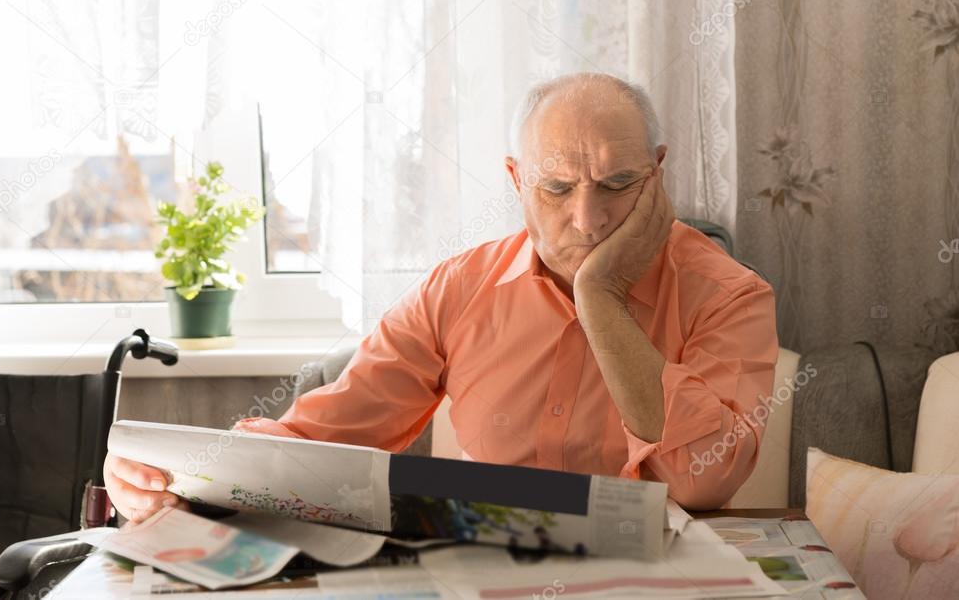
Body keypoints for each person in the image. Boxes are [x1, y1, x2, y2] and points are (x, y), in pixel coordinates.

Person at [105, 72, 778, 523]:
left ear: (656, 174)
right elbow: (320, 436)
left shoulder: (730, 295)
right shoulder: (458, 288)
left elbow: (701, 481)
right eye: (555, 188)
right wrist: (177, 477)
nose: (587, 219)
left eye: (617, 183)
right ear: (516, 179)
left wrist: (598, 298)